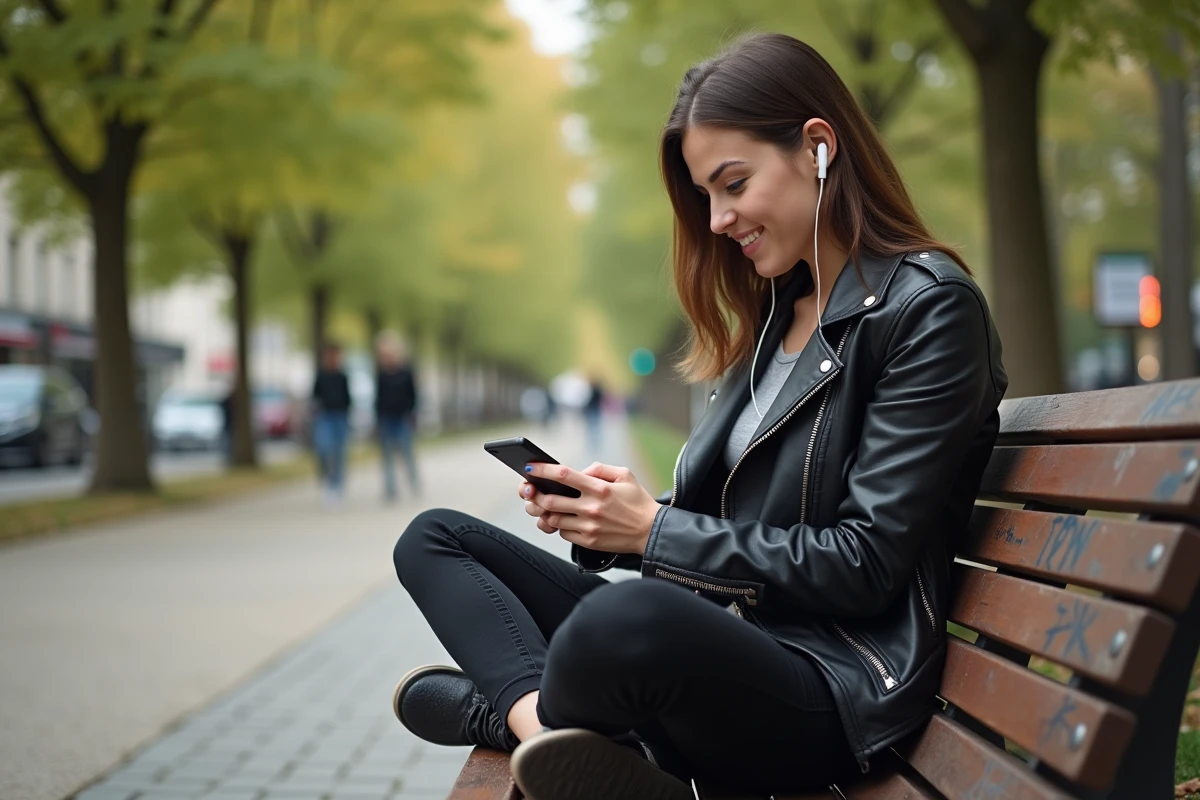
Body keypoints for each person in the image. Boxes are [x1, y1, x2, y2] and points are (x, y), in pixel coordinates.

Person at [390, 32, 1007, 800]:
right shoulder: (777, 313)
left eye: (733, 183)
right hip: (727, 641)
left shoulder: (927, 311)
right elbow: (745, 521)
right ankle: (543, 733)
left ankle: (511, 713)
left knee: (620, 626)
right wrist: (613, 519)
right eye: (706, 196)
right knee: (437, 538)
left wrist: (654, 532)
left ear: (817, 147)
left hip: (828, 686)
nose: (717, 220)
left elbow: (864, 566)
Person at [374, 331, 420, 502]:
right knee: (387, 456)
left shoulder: (406, 373)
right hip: (386, 419)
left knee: (406, 453)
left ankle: (414, 483)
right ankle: (390, 489)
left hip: (402, 418)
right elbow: (378, 398)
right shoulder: (381, 375)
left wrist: (411, 413)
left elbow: (413, 395)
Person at [311, 341, 352, 506]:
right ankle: (328, 480)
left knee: (339, 453)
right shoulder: (321, 375)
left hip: (340, 417)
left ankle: (337, 487)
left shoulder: (342, 376)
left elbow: (347, 397)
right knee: (325, 449)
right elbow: (314, 396)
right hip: (325, 417)